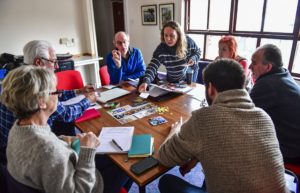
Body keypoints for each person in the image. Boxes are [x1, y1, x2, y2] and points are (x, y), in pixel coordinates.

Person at [158, 59, 288, 193]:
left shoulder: (203, 119)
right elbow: (233, 142)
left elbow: (165, 157)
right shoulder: (264, 116)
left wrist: (175, 131)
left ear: (210, 89)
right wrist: (195, 158)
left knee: (166, 181)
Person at [1, 65, 130, 193]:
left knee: (112, 154)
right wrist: (88, 151)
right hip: (88, 185)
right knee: (128, 162)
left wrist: (62, 139)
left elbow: (38, 145)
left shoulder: (17, 128)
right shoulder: (49, 151)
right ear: (41, 102)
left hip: (64, 171)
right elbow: (80, 190)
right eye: (55, 91)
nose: (59, 95)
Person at [0, 40, 96, 164]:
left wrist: (78, 91)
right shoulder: (35, 84)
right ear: (39, 62)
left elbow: (53, 95)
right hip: (26, 155)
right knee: (67, 124)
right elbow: (66, 113)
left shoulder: (19, 76)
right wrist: (88, 100)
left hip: (12, 144)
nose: (56, 66)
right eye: (54, 61)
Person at [249, 44, 300, 164]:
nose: (250, 66)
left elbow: (239, 112)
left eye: (254, 63)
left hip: (291, 151)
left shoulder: (268, 84)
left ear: (268, 67)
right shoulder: (283, 74)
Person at [138, 21, 201, 92]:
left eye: (172, 35)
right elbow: (152, 66)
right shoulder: (161, 49)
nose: (168, 39)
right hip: (172, 78)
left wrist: (193, 58)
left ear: (178, 35)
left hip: (189, 75)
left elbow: (197, 52)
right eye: (166, 35)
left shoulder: (188, 42)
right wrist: (146, 82)